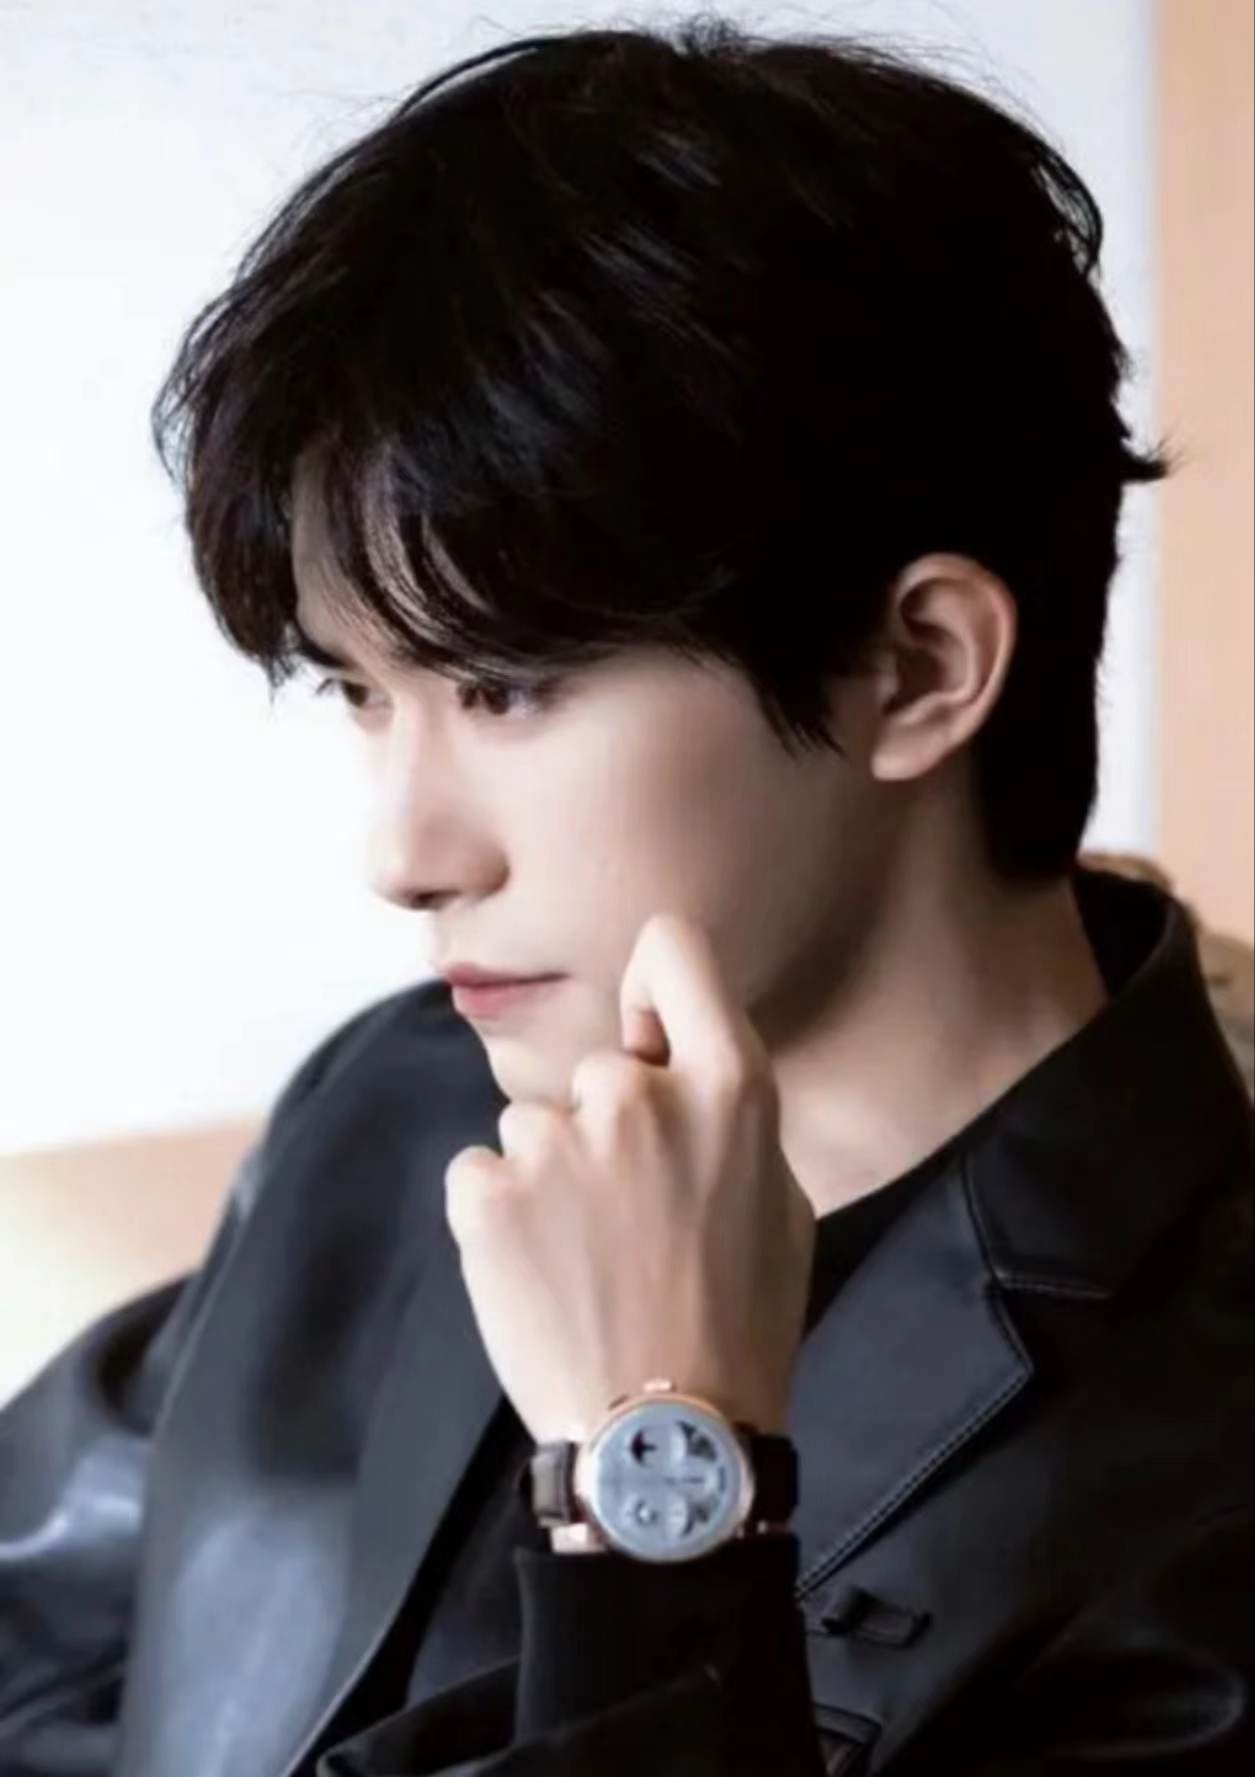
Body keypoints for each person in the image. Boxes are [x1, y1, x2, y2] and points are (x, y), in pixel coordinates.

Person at [1, 17, 1250, 1777]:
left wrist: (663, 1482)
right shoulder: (403, 1100)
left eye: (505, 687)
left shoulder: (1205, 1461)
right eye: (361, 691)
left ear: (917, 667)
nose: (403, 851)